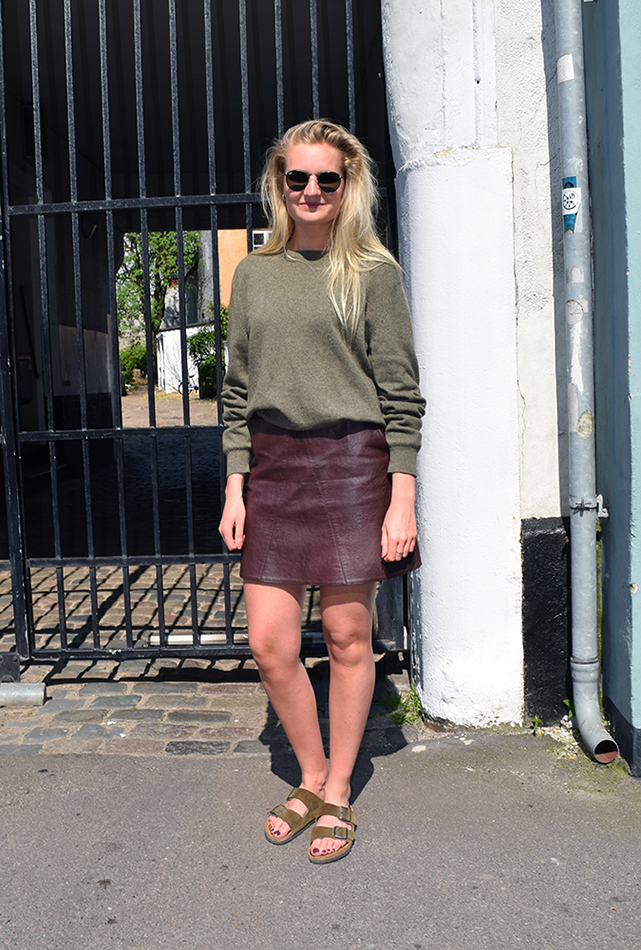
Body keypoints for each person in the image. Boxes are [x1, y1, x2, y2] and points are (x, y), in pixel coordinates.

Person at [218, 119, 425, 865]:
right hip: (273, 470)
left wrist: (401, 498)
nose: (310, 191)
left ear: (347, 186)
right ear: (278, 184)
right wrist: (236, 484)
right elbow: (236, 390)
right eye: (296, 178)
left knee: (346, 638)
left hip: (350, 467)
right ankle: (307, 772)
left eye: (326, 180)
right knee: (270, 644)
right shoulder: (253, 273)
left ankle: (337, 789)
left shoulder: (372, 272)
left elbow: (402, 395)